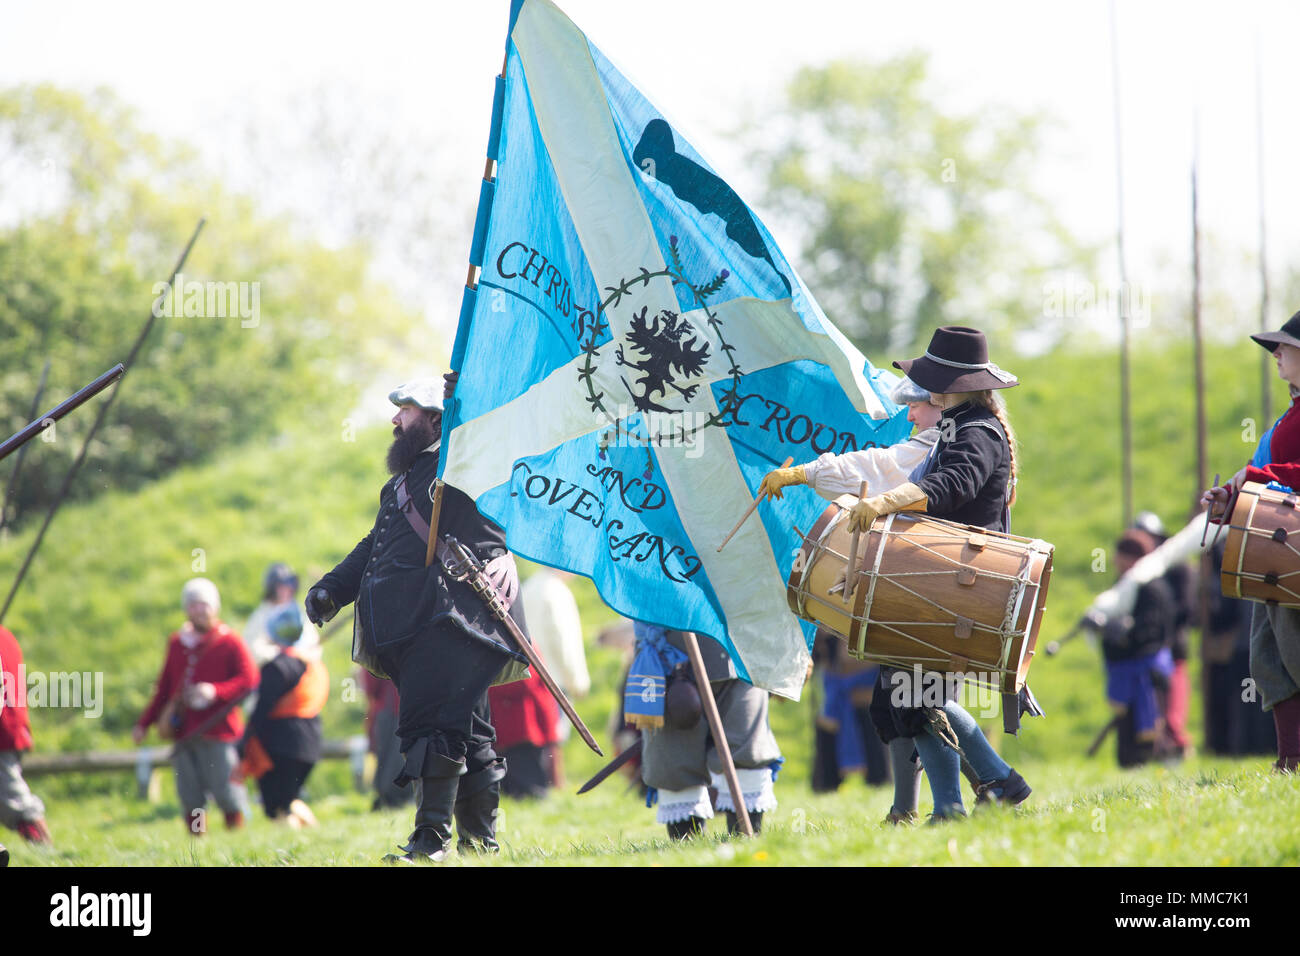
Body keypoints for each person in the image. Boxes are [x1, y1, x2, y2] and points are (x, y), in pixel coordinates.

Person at [765, 326, 1033, 822]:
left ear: (954, 383)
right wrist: (810, 473)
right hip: (937, 574)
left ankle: (997, 781)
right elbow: (894, 465)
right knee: (900, 701)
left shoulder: (978, 432)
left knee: (917, 696)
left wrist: (885, 501)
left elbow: (952, 484)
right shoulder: (960, 425)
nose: (918, 401)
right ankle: (945, 805)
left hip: (960, 579)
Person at [305, 378, 531, 862]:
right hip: (421, 623)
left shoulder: (463, 465)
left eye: (404, 410)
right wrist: (333, 590)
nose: (394, 421)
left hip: (453, 621)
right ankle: (480, 843)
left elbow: (493, 521)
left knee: (434, 728)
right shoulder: (406, 481)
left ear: (433, 416)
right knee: (468, 731)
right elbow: (373, 545)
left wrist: (488, 557)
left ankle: (431, 842)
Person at [763, 374, 937, 810]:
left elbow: (879, 468)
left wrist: (807, 472)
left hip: (939, 585)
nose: (910, 414)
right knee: (902, 706)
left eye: (918, 405)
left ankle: (988, 784)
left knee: (923, 706)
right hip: (924, 584)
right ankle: (919, 806)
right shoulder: (951, 435)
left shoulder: (955, 439)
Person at [1202, 310, 1300, 773]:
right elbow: (1261, 474)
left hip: (1292, 549)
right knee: (1269, 655)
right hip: (1273, 549)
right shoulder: (1289, 416)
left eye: (1284, 346)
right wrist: (1230, 498)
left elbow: (1279, 475)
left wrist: (1255, 479)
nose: (1277, 353)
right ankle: (1291, 759)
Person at [628, 620, 782, 839]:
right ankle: (688, 855)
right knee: (674, 765)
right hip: (669, 655)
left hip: (741, 649)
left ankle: (747, 846)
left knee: (747, 752)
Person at [133, 578, 259, 834]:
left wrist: (215, 691)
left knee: (227, 791)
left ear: (215, 607)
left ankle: (237, 841)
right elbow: (165, 688)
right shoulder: (177, 643)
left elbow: (250, 680)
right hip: (185, 731)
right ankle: (197, 845)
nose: (199, 610)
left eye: (204, 604)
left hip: (218, 730)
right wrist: (144, 723)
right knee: (190, 795)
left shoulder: (229, 641)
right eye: (193, 605)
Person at [237, 604, 328, 827]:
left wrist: (244, 741)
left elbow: (261, 709)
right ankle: (313, 838)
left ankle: (291, 854)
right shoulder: (313, 664)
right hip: (312, 740)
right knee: (289, 799)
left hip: (281, 744)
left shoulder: (276, 668)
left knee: (278, 805)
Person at [1100, 529, 1175, 767]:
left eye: (1120, 555)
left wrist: (1125, 635)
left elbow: (1151, 633)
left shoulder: (1150, 588)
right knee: (1127, 731)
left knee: (1150, 723)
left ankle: (1157, 759)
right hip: (1129, 668)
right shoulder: (1126, 586)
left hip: (1146, 669)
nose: (1114, 561)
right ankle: (1133, 763)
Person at [0, 625, 52, 848]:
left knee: (14, 801)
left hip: (3, 731)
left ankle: (45, 850)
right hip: (11, 728)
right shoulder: (5, 636)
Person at [243, 563, 322, 668]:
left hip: (300, 669)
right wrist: (280, 652)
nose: (286, 589)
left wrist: (295, 653)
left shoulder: (297, 613)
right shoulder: (262, 615)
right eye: (281, 585)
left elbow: (314, 646)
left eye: (290, 584)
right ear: (272, 588)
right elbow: (253, 650)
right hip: (274, 671)